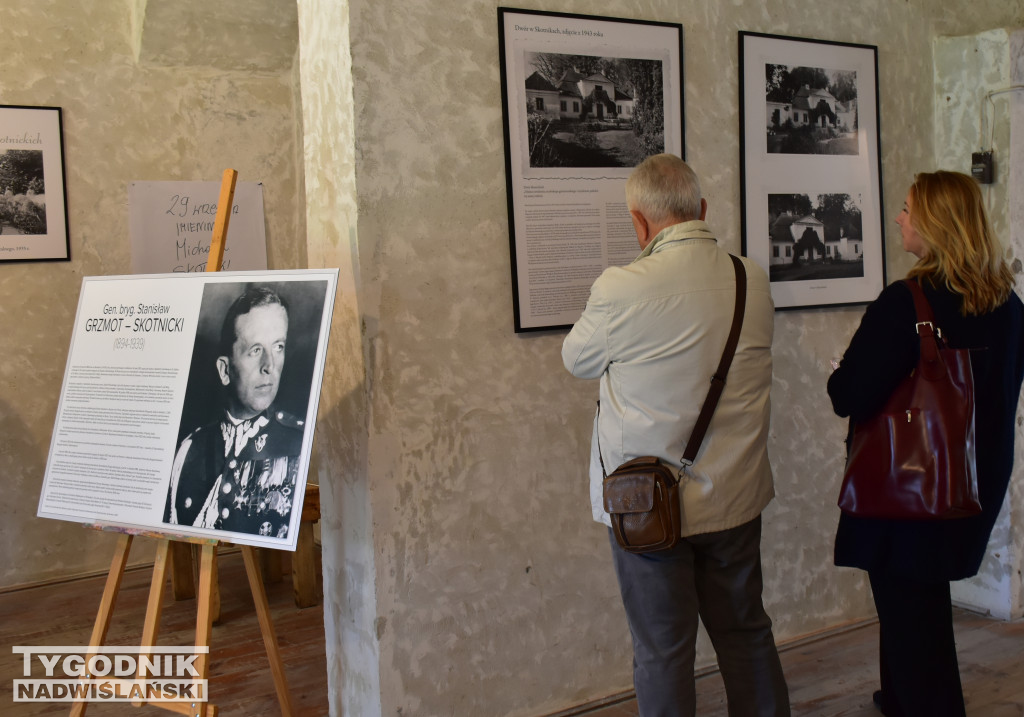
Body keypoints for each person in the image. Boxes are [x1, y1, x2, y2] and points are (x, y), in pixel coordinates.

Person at [562, 154, 790, 716]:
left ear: (639, 224)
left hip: (648, 508)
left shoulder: (620, 287)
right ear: (702, 211)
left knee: (664, 652)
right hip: (735, 497)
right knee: (746, 633)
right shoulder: (750, 278)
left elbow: (577, 360)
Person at [827, 170, 1024, 716]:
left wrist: (841, 371)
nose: (900, 218)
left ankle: (925, 705)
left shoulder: (906, 303)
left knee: (909, 608)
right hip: (972, 482)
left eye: (909, 210)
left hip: (909, 486)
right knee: (919, 604)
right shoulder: (1008, 305)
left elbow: (850, 395)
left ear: (935, 223)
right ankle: (900, 697)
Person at [164, 285, 304, 539]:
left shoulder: (298, 442)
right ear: (225, 370)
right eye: (255, 350)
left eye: (278, 347)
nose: (269, 366)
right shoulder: (190, 450)